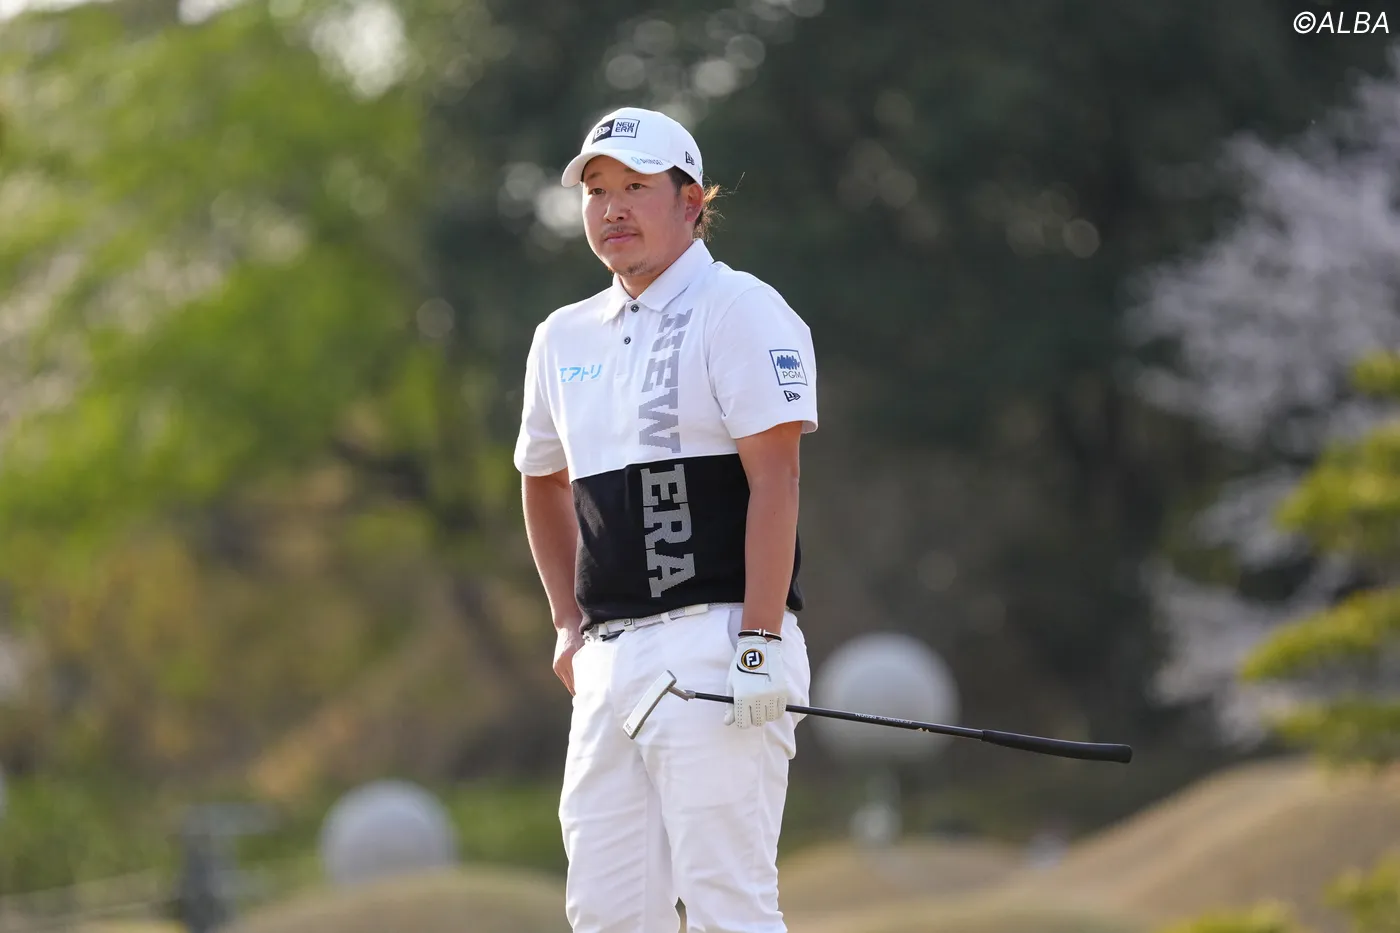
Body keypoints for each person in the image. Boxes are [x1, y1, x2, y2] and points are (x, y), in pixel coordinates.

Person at [513, 105, 819, 933]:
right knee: (606, 913)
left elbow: (776, 478)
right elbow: (542, 479)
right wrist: (566, 621)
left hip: (718, 641)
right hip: (609, 656)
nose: (612, 208)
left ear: (691, 201)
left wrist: (759, 638)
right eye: (596, 191)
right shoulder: (561, 336)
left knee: (728, 904)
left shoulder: (740, 307)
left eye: (635, 187)